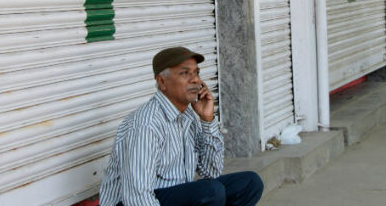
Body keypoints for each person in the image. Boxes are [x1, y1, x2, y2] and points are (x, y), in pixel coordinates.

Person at [99, 47, 264, 206]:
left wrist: (207, 120)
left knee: (249, 183)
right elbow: (137, 196)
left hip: (171, 196)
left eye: (196, 73)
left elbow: (211, 172)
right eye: (185, 73)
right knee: (211, 192)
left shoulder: (188, 116)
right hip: (134, 202)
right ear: (162, 82)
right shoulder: (146, 125)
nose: (196, 80)